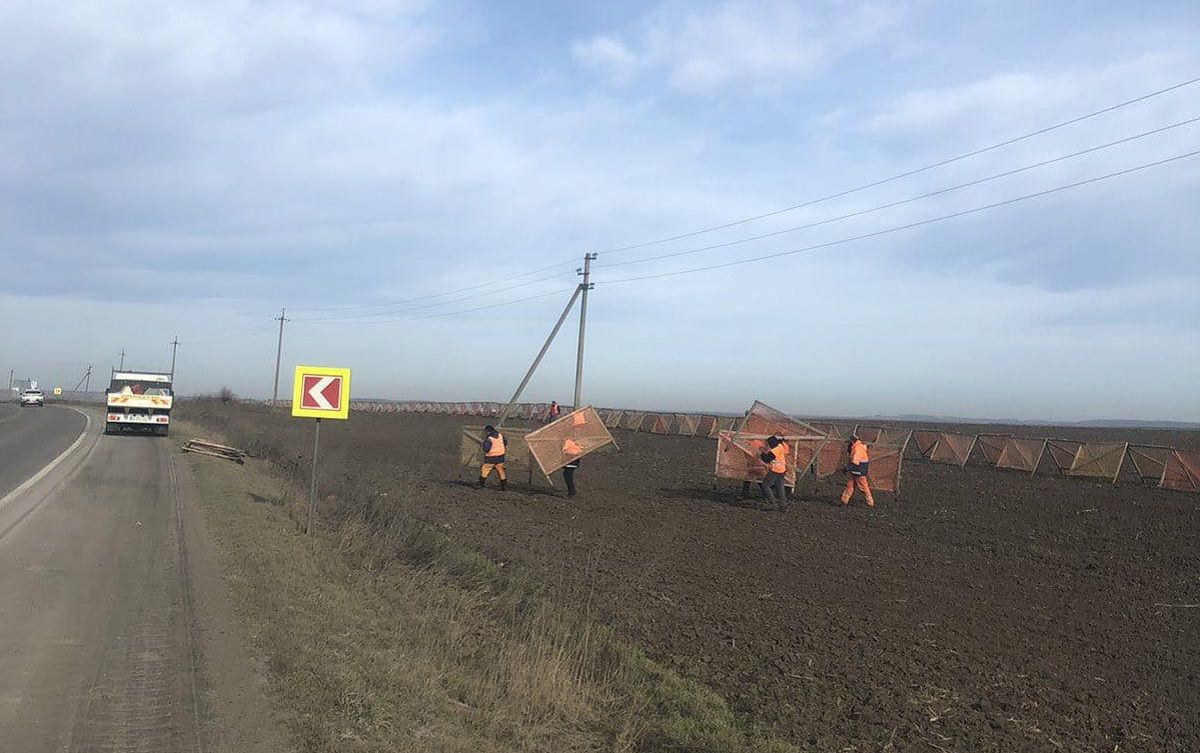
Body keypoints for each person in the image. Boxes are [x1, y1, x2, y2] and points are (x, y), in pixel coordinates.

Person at [840, 435, 874, 507]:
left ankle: (870, 503)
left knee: (863, 487)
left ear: (852, 441)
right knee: (850, 485)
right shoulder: (857, 446)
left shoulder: (857, 448)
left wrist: (847, 468)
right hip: (855, 470)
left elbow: (855, 462)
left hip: (859, 470)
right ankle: (844, 501)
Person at [758, 435, 789, 509]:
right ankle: (783, 505)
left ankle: (772, 503)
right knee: (780, 487)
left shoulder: (774, 451)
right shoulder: (780, 446)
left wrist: (761, 454)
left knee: (765, 485)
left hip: (776, 470)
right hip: (782, 470)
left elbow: (766, 459)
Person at [479, 425, 507, 490]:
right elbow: (505, 442)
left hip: (491, 456)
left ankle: (481, 484)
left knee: (485, 469)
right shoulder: (500, 435)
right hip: (501, 456)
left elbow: (486, 448)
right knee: (500, 470)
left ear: (488, 431)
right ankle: (504, 486)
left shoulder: (489, 439)